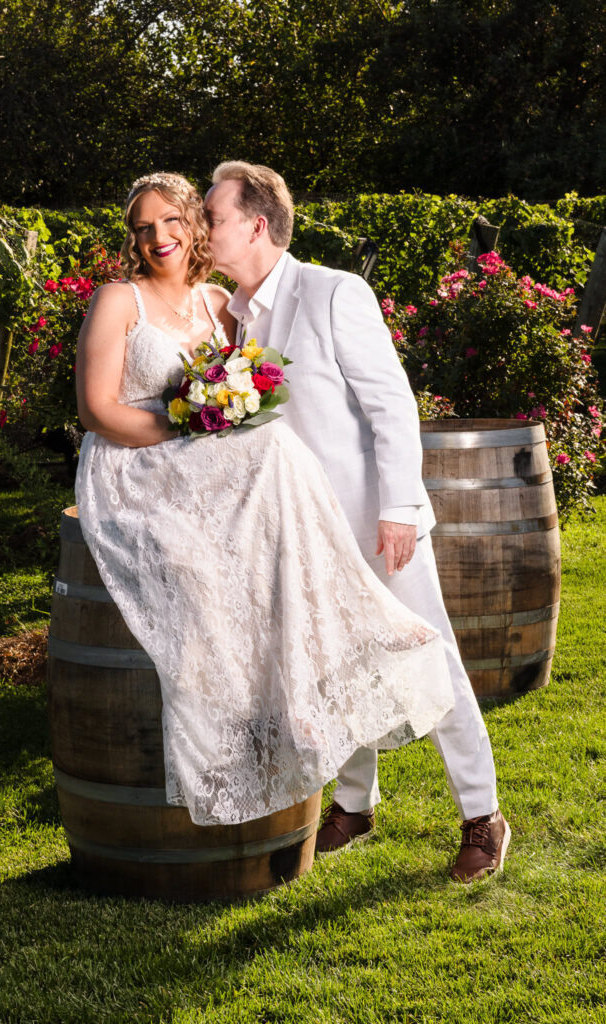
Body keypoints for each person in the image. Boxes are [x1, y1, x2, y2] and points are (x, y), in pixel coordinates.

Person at [74, 171, 454, 831]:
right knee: (271, 450)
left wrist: (224, 411)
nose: (158, 236)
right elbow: (97, 411)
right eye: (143, 227)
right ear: (133, 239)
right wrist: (186, 423)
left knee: (275, 442)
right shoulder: (118, 300)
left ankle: (320, 647)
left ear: (195, 224)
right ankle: (353, 626)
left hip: (202, 456)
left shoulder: (220, 302)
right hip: (134, 459)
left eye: (171, 221)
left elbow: (247, 394)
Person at [204, 161, 511, 882]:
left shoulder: (335, 292)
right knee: (328, 665)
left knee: (425, 660)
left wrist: (399, 510)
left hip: (376, 523)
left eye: (212, 216)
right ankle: (355, 803)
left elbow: (390, 406)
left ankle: (482, 815)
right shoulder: (232, 315)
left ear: (255, 224)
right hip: (294, 531)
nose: (202, 228)